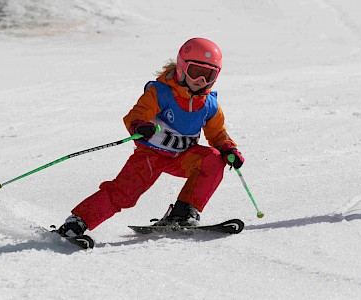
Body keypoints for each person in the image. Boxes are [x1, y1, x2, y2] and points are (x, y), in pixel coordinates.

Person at [56, 37, 244, 237]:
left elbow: (217, 132)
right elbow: (136, 114)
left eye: (209, 75)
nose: (201, 81)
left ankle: (183, 213)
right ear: (181, 68)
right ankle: (77, 223)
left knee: (213, 160)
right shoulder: (161, 93)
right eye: (196, 72)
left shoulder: (209, 105)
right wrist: (140, 125)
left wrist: (227, 148)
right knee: (124, 194)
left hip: (182, 157)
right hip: (151, 156)